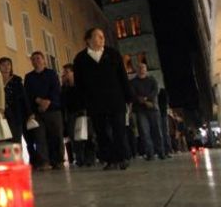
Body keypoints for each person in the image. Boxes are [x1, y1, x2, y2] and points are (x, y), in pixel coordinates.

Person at [73, 28, 134, 171]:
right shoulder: (80, 59)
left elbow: (122, 76)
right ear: (88, 39)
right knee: (101, 132)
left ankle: (122, 158)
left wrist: (128, 97)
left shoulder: (112, 54)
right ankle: (110, 160)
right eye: (98, 36)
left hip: (116, 99)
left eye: (103, 36)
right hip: (95, 102)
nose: (102, 38)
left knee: (119, 129)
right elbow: (79, 84)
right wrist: (81, 104)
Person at [24, 52, 64, 169]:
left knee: (56, 136)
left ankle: (58, 161)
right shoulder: (29, 77)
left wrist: (48, 102)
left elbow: (56, 89)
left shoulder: (51, 73)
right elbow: (28, 93)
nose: (36, 61)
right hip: (37, 111)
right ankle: (44, 162)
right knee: (39, 137)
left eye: (38, 58)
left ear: (43, 60)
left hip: (53, 109)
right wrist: (38, 101)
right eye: (33, 59)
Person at [61, 64, 95, 167]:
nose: (65, 74)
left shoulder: (81, 84)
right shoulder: (64, 88)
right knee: (74, 137)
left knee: (88, 136)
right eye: (64, 72)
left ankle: (90, 158)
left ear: (73, 72)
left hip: (83, 112)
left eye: (67, 72)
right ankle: (80, 158)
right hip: (71, 114)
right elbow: (63, 102)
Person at [130, 64, 165, 160]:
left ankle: (161, 152)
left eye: (143, 68)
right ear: (137, 70)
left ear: (146, 70)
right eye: (140, 68)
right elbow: (132, 94)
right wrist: (144, 100)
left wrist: (147, 98)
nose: (142, 70)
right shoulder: (133, 82)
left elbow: (155, 91)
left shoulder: (151, 80)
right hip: (140, 110)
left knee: (157, 131)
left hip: (153, 108)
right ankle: (150, 153)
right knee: (144, 132)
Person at [157, 88, 173, 156]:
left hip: (159, 114)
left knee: (161, 133)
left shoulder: (159, 95)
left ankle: (163, 150)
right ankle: (167, 150)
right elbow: (166, 103)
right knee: (165, 132)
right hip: (163, 114)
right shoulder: (164, 95)